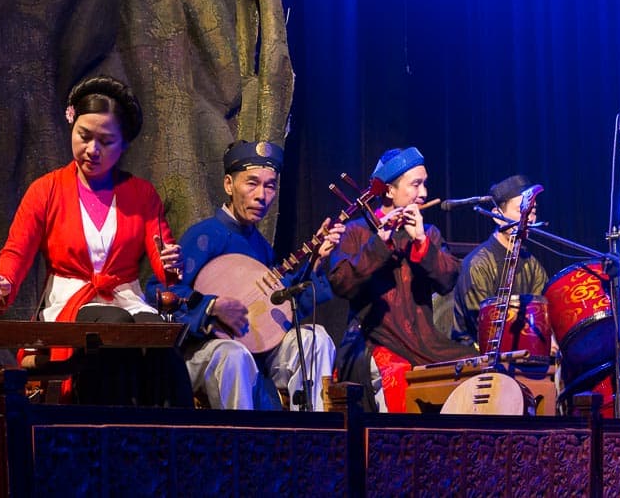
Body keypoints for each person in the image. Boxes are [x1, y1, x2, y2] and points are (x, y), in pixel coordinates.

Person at [0, 74, 189, 406]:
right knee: (111, 329)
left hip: (125, 299)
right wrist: (2, 282)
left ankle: (170, 438)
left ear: (124, 145)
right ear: (71, 125)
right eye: (84, 136)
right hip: (72, 300)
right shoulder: (46, 190)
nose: (92, 149)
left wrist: (170, 265)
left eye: (105, 141)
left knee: (156, 335)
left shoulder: (141, 194)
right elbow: (16, 250)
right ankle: (104, 430)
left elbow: (164, 260)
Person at [146, 140, 344, 410]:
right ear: (229, 185)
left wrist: (317, 262)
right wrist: (212, 306)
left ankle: (313, 434)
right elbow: (159, 292)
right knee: (235, 355)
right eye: (252, 183)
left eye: (270, 185)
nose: (261, 195)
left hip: (259, 355)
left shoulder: (262, 247)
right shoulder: (205, 236)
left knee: (314, 338)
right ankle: (244, 445)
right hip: (206, 354)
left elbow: (284, 307)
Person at [329, 147, 477, 412]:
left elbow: (448, 280)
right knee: (396, 373)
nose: (424, 194)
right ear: (388, 190)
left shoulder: (428, 233)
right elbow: (341, 283)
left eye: (425, 184)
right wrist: (380, 243)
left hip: (422, 341)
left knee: (477, 366)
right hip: (372, 342)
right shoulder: (355, 232)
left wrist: (421, 242)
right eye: (416, 184)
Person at [451, 174, 549, 349]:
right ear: (497, 216)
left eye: (532, 212)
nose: (529, 218)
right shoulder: (477, 265)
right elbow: (483, 326)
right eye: (522, 211)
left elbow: (540, 315)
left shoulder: (533, 266)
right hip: (475, 357)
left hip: (521, 353)